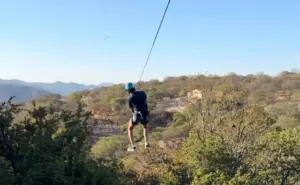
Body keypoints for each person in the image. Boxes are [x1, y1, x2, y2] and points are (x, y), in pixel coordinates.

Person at [125, 82, 150, 151]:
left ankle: (133, 146)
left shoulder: (130, 98)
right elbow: (142, 97)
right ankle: (147, 143)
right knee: (145, 126)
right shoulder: (143, 93)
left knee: (130, 128)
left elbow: (131, 108)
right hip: (145, 113)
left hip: (137, 114)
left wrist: (133, 113)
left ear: (128, 90)